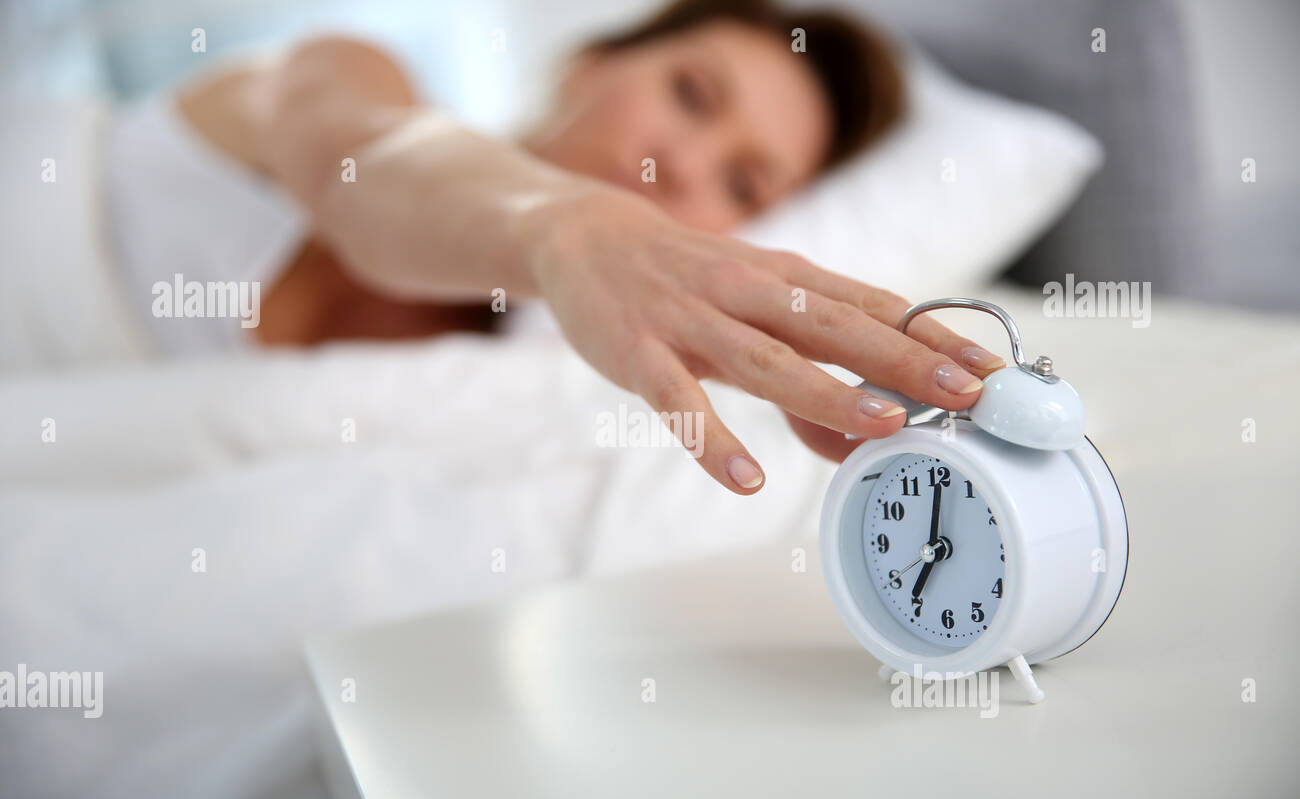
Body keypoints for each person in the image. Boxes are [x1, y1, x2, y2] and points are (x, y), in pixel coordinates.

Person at [115, 0, 1008, 494]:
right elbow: (365, 158)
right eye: (692, 94)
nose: (681, 162)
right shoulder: (352, 75)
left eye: (743, 186)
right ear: (592, 60)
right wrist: (570, 227)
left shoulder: (497, 399)